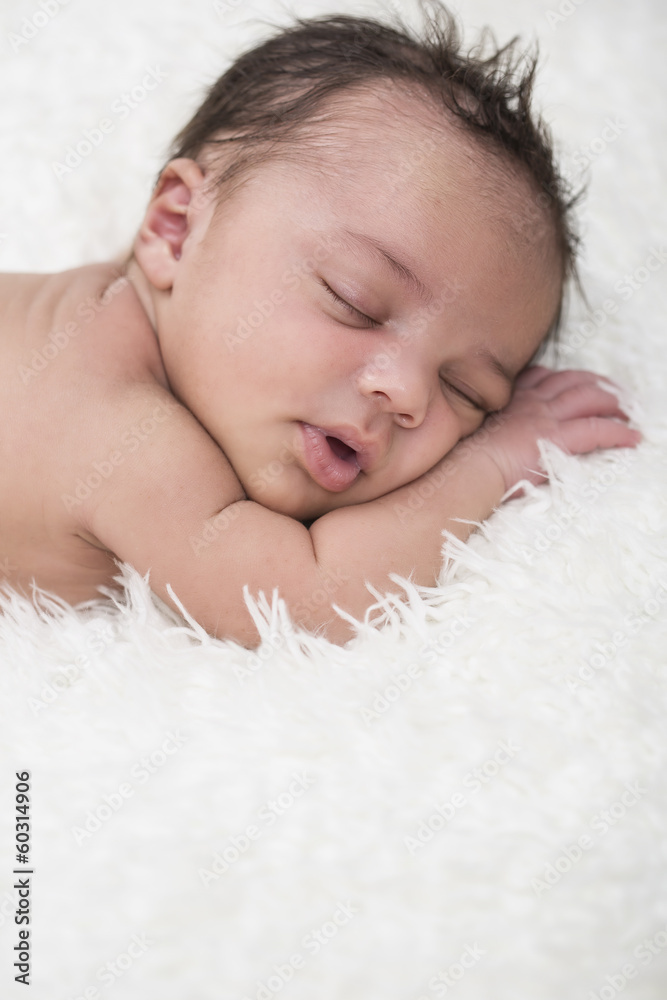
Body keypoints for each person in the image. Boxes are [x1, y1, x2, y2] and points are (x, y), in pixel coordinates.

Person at [0, 5, 640, 647]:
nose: (407, 393)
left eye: (467, 391)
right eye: (354, 302)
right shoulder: (122, 436)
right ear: (176, 230)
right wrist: (491, 464)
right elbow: (308, 601)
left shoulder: (106, 313)